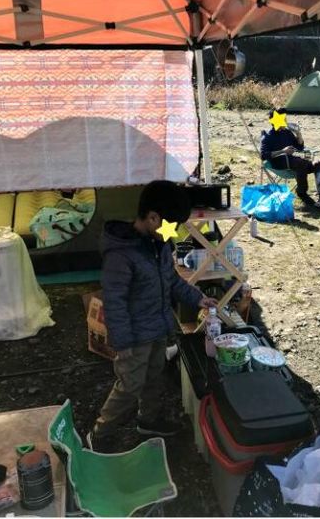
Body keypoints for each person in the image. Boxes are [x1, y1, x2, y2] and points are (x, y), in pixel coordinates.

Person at [87, 180, 217, 453]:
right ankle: (100, 433)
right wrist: (122, 342)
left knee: (154, 377)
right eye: (171, 225)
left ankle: (148, 420)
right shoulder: (121, 255)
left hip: (157, 327)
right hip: (134, 337)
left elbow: (172, 280)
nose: (174, 232)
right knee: (130, 385)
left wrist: (197, 298)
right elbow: (114, 302)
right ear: (153, 217)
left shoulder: (160, 244)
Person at [260, 108, 320, 207]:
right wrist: (283, 151)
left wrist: (298, 133)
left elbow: (299, 147)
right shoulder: (268, 136)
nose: (285, 121)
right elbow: (263, 155)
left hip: (293, 162)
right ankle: (302, 193)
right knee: (301, 163)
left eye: (285, 119)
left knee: (317, 163)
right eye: (283, 119)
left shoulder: (287, 133)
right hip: (278, 163)